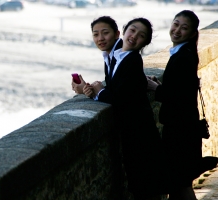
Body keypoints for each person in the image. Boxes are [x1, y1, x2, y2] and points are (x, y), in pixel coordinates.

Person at [84, 17, 162, 200]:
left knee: (144, 189)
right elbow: (120, 89)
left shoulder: (132, 61)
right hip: (134, 135)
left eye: (141, 35)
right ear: (125, 30)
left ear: (145, 42)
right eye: (132, 30)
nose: (134, 36)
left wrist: (100, 91)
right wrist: (91, 91)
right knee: (141, 187)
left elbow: (120, 100)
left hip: (140, 137)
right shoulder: (117, 57)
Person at [147, 10, 218, 200]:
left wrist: (155, 87)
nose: (177, 30)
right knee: (179, 186)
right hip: (184, 130)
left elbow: (176, 96)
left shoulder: (183, 57)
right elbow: (182, 90)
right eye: (176, 24)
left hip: (181, 133)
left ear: (193, 33)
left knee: (181, 186)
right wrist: (162, 86)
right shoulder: (185, 53)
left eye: (184, 28)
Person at [71, 16, 122, 94]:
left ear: (117, 34)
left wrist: (98, 92)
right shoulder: (109, 55)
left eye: (105, 33)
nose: (100, 38)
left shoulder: (122, 56)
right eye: (96, 35)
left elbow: (121, 98)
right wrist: (88, 89)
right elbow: (114, 87)